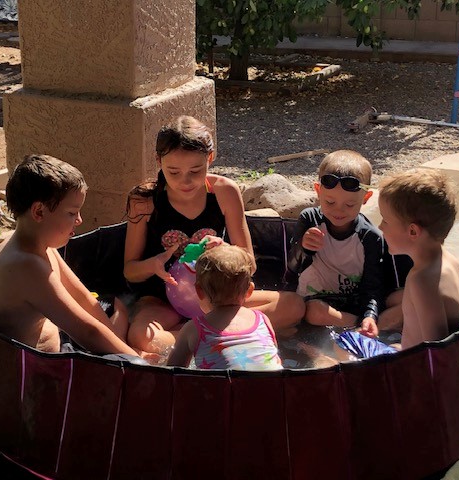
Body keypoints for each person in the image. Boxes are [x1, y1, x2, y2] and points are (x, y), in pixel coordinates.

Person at [124, 115, 305, 354]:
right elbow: (129, 271)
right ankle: (233, 335)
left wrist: (225, 250)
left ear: (210, 158)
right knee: (140, 334)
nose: (185, 181)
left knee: (293, 306)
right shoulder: (145, 201)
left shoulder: (223, 191)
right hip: (163, 301)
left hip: (220, 298)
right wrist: (153, 265)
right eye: (174, 172)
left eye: (196, 170)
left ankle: (191, 338)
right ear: (159, 161)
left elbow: (248, 263)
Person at [0, 154, 140, 357]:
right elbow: (88, 332)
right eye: (71, 213)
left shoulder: (40, 247)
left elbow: (83, 298)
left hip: (52, 351)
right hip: (27, 373)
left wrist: (125, 348)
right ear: (39, 212)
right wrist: (141, 366)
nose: (79, 220)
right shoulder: (24, 264)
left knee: (118, 306)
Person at [286, 150, 384, 338]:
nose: (339, 211)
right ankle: (357, 325)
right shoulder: (310, 219)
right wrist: (303, 247)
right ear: (318, 191)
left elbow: (372, 286)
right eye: (330, 202)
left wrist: (369, 315)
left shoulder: (370, 237)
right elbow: (291, 267)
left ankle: (361, 325)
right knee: (313, 311)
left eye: (349, 205)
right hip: (311, 301)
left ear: (366, 198)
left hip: (348, 304)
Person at [378, 168, 459, 349]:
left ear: (413, 231)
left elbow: (436, 352)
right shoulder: (449, 261)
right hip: (414, 357)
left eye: (385, 220)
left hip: (415, 372)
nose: (380, 226)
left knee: (343, 345)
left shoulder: (422, 279)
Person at [167, 245, 282, 370]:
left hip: (222, 388)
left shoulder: (193, 328)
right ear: (249, 291)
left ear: (198, 291)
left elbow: (171, 375)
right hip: (272, 387)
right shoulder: (263, 320)